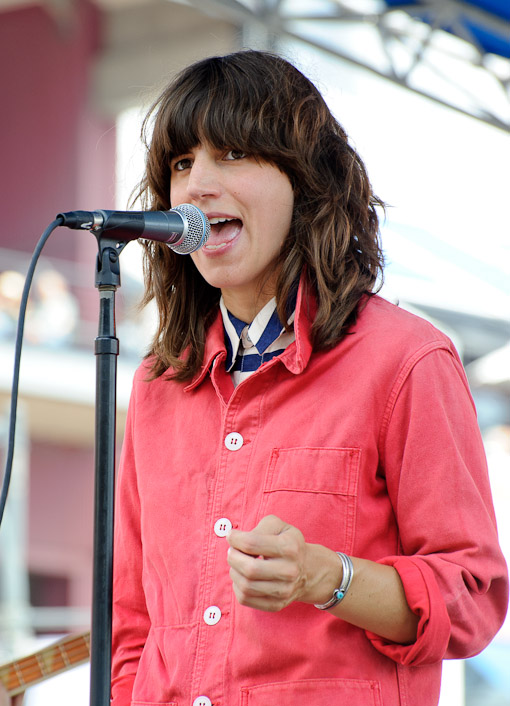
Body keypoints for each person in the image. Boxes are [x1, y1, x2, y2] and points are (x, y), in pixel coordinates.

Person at [110, 49, 508, 706]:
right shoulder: (159, 382)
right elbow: (133, 627)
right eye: (181, 164)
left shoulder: (407, 361)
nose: (197, 186)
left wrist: (329, 577)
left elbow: (472, 600)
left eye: (233, 153)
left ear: (306, 181)